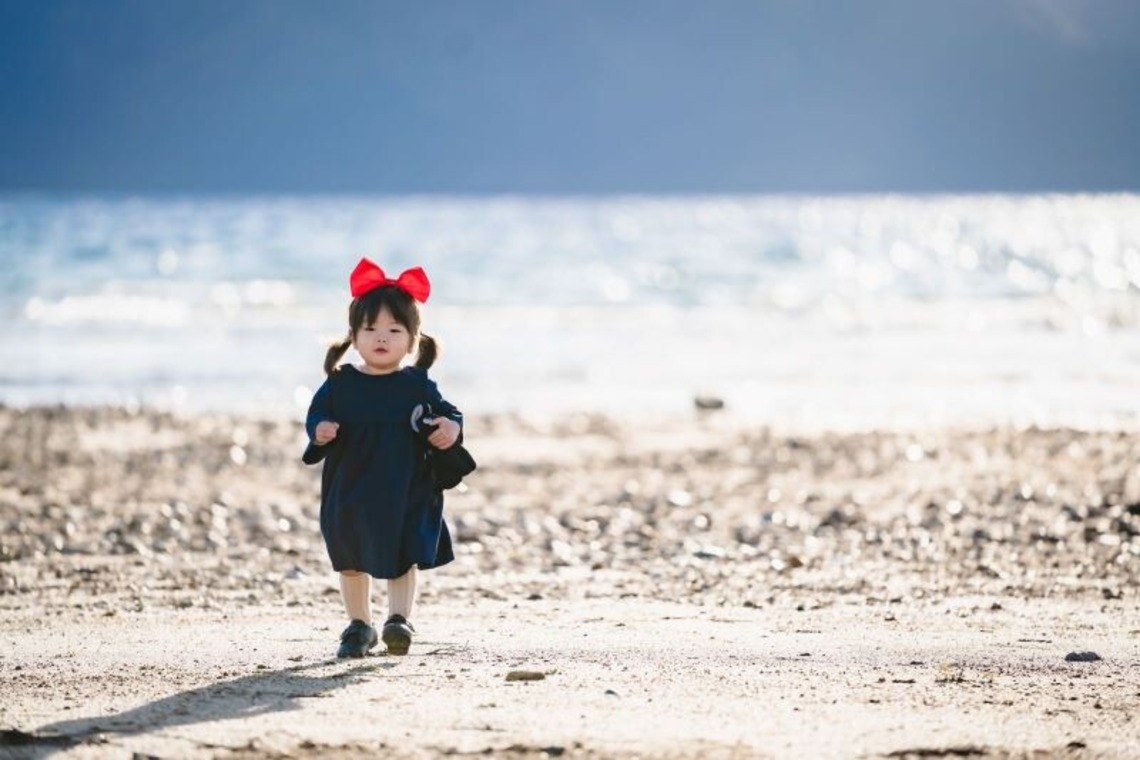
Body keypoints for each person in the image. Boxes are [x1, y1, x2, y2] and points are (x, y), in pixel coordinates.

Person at [303, 258, 464, 658]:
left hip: (406, 485)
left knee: (403, 553)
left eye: (394, 330)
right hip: (351, 487)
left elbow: (449, 413)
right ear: (354, 336)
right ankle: (359, 624)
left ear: (412, 339)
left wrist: (451, 427)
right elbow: (316, 414)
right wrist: (320, 429)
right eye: (370, 329)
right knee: (350, 554)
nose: (381, 337)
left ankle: (398, 620)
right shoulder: (340, 383)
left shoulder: (416, 385)